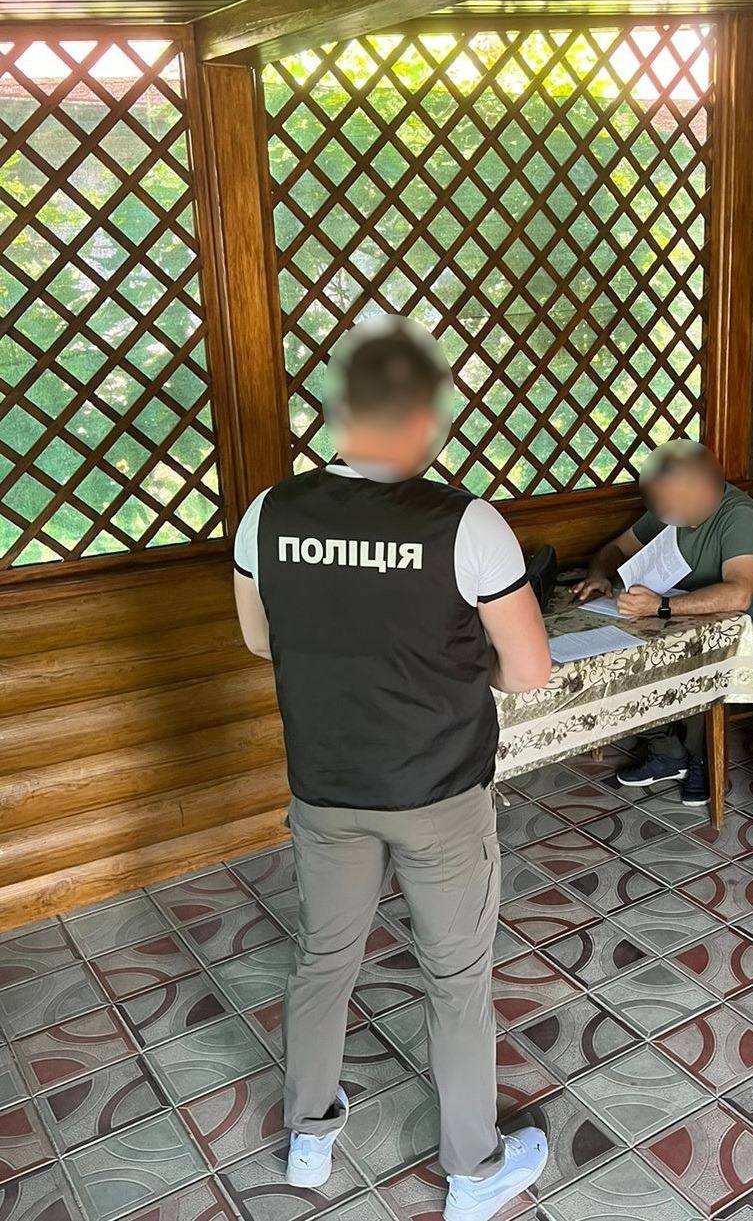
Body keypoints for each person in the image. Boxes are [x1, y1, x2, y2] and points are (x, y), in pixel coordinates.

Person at [232, 316, 552, 1220]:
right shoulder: (465, 522)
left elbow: (260, 640)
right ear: (421, 418)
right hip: (437, 793)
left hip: (325, 786)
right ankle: (472, 1169)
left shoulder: (268, 513)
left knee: (322, 958)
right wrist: (456, 667)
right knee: (456, 977)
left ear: (339, 415)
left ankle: (308, 1138)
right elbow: (528, 671)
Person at [574, 440, 753, 805]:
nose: (662, 510)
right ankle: (668, 750)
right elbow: (617, 547)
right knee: (626, 657)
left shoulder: (739, 517)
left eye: (670, 502)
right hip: (680, 620)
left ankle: (703, 761)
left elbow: (739, 595)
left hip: (751, 634)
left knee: (695, 663)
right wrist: (600, 574)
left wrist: (660, 606)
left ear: (700, 490)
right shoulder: (670, 508)